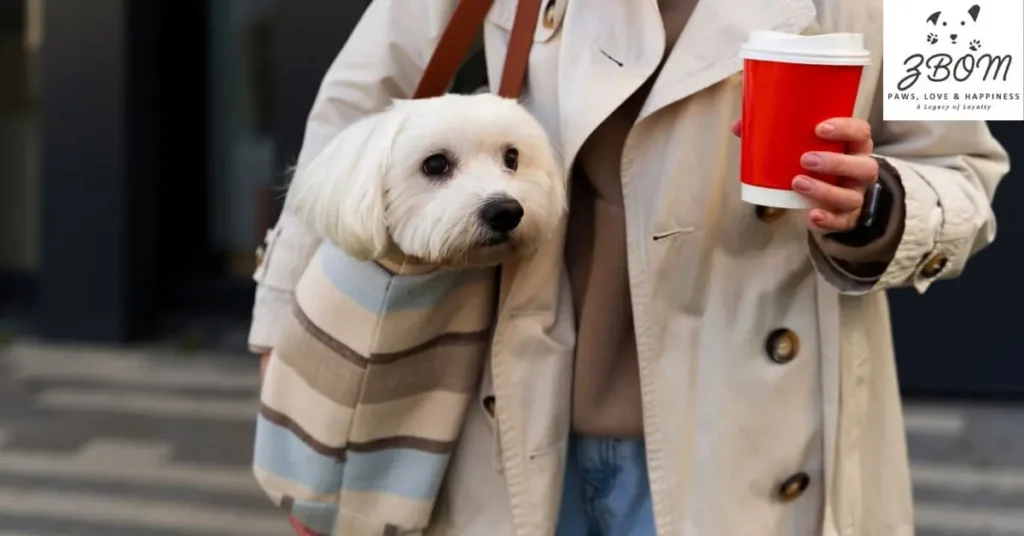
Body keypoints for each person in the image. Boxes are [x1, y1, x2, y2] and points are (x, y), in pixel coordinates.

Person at [250, 0, 1010, 534]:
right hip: (509, 424)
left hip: (754, 442)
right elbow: (354, 107)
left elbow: (970, 172)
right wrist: (286, 333)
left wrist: (876, 205)